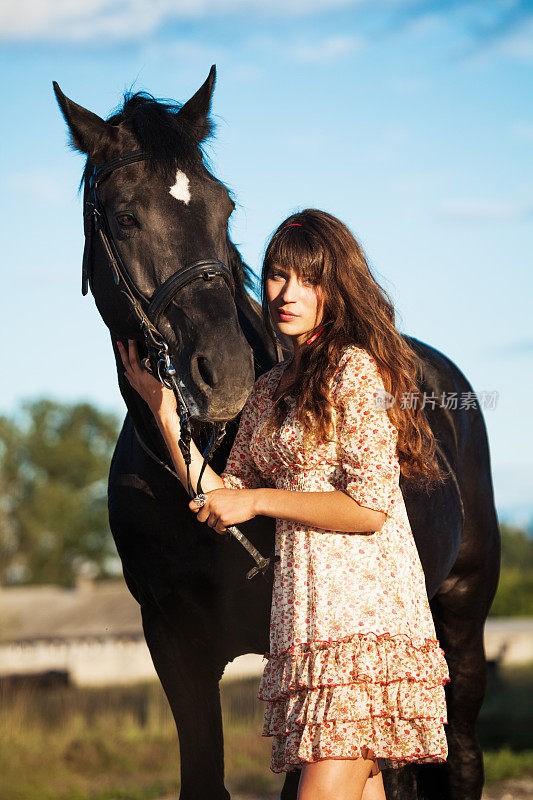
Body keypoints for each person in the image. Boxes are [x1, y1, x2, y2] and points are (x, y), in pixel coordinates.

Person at [118, 208, 450, 800]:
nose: (287, 294)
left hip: (360, 621)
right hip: (306, 621)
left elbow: (369, 508)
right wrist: (162, 410)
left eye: (307, 280)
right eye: (276, 276)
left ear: (336, 288)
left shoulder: (353, 370)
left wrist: (259, 500)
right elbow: (221, 493)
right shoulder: (271, 387)